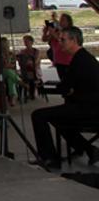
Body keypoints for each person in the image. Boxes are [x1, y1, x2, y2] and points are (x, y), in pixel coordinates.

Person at [31, 26, 99, 169]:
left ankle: (50, 158)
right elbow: (70, 87)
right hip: (89, 106)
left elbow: (65, 87)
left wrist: (62, 90)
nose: (59, 42)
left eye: (63, 40)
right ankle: (88, 149)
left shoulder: (80, 60)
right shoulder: (83, 57)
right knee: (58, 117)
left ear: (74, 40)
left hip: (89, 109)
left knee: (38, 115)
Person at [43, 13, 74, 81]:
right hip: (58, 61)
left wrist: (53, 33)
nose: (60, 22)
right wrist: (45, 32)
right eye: (60, 20)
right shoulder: (57, 31)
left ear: (68, 22)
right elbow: (45, 39)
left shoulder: (71, 31)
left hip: (67, 61)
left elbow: (62, 41)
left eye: (63, 20)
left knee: (68, 81)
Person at [17, 35, 41, 101]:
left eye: (27, 41)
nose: (25, 43)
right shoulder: (22, 51)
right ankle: (24, 91)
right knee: (19, 74)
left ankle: (30, 92)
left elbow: (36, 62)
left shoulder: (36, 51)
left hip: (34, 70)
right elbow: (20, 63)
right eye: (24, 41)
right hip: (25, 70)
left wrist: (29, 62)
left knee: (30, 75)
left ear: (31, 42)